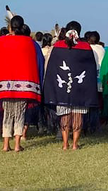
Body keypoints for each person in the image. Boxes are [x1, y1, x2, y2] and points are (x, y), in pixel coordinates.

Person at [0, 15, 42, 152]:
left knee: (7, 114)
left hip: (5, 85)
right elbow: (32, 64)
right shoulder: (28, 42)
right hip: (23, 85)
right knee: (20, 114)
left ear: (10, 27)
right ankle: (17, 144)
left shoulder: (1, 41)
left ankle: (6, 144)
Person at [43, 21, 99, 150]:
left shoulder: (58, 46)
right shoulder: (86, 47)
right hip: (81, 88)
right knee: (77, 115)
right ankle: (74, 144)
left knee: (65, 115)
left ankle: (64, 144)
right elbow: (91, 68)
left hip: (62, 88)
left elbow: (52, 68)